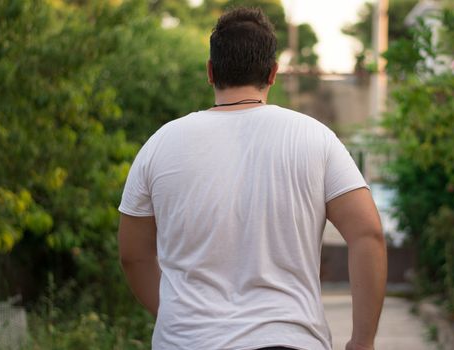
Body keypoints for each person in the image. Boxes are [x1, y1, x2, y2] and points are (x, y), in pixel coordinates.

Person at [117, 7, 387, 350]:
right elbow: (368, 234)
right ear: (273, 73)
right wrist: (362, 341)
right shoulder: (315, 138)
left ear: (211, 72)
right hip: (289, 340)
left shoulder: (160, 144)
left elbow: (132, 255)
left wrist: (179, 314)